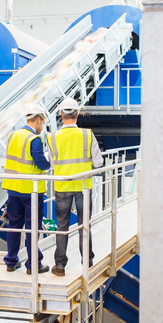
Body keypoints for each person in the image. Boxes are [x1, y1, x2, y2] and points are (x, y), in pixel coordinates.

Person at [48, 97, 102, 276]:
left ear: (61, 116)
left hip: (62, 187)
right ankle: (87, 261)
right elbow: (99, 162)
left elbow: (50, 164)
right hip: (84, 187)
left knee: (61, 226)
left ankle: (60, 266)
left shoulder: (52, 137)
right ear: (77, 114)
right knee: (84, 225)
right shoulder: (87, 134)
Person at [2, 103, 51, 274]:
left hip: (13, 189)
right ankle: (33, 265)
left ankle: (11, 261)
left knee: (14, 226)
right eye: (42, 123)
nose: (42, 126)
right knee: (32, 228)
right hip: (31, 191)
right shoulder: (34, 140)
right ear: (38, 120)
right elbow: (41, 164)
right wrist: (49, 161)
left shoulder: (12, 136)